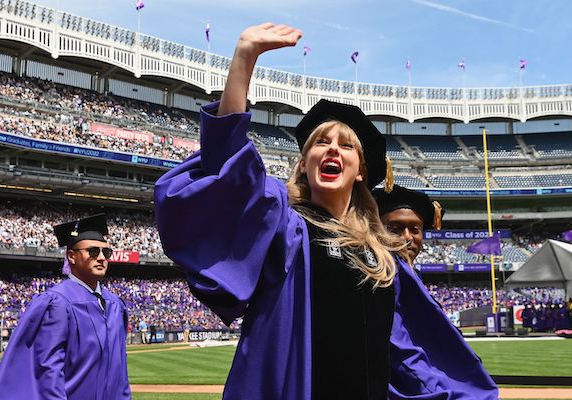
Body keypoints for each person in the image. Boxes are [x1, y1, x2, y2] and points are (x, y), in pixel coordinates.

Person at [154, 23, 497, 400]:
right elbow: (229, 172)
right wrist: (244, 59)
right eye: (321, 142)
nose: (332, 149)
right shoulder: (284, 225)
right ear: (305, 163)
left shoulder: (382, 258)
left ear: (361, 170)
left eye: (346, 146)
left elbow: (405, 350)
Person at [0, 214, 131, 399]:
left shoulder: (115, 305)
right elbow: (49, 372)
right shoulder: (57, 303)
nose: (102, 258)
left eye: (106, 252)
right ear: (72, 256)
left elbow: (121, 370)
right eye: (93, 251)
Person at [372, 184, 442, 267]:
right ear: (375, 230)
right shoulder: (362, 276)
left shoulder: (414, 277)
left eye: (415, 229)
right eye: (395, 229)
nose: (407, 237)